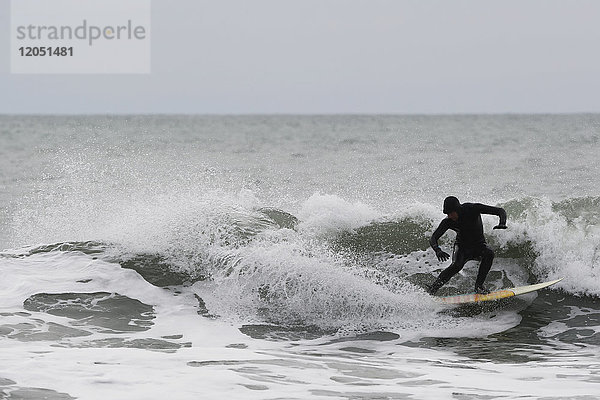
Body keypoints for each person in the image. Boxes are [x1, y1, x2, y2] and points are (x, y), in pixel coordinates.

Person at [427, 196, 507, 295]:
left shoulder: (473, 209)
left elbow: (500, 211)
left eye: (451, 213)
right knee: (456, 265)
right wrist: (437, 250)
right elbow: (433, 238)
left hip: (479, 245)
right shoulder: (448, 221)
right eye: (447, 214)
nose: (449, 216)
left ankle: (479, 286)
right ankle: (432, 290)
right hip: (462, 247)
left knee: (489, 254)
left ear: (457, 209)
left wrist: (502, 223)